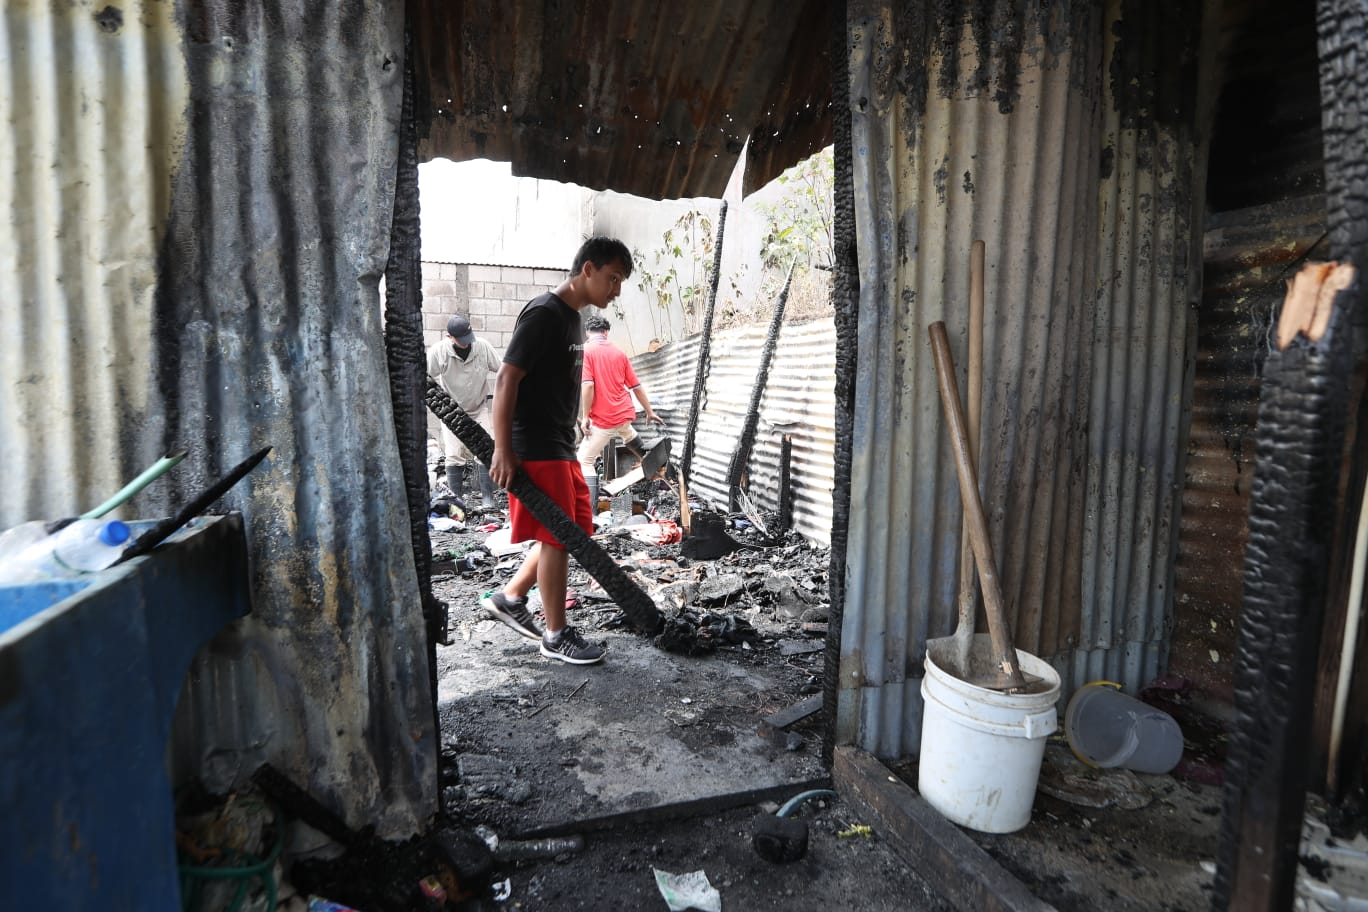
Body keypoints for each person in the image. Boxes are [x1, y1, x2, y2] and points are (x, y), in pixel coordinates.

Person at [482, 237, 633, 665]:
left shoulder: (573, 319)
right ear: (588, 269)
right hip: (536, 444)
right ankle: (555, 634)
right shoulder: (545, 313)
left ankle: (512, 597)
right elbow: (507, 379)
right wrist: (503, 449)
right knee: (556, 537)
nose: (616, 290)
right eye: (613, 278)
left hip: (561, 443)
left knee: (571, 529)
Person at [576, 314, 665, 506]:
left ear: (587, 333)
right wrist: (649, 411)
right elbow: (636, 386)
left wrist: (585, 417)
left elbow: (588, 386)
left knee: (584, 460)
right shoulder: (618, 352)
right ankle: (657, 466)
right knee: (627, 432)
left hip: (604, 418)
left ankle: (590, 514)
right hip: (623, 414)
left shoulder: (586, 352)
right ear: (606, 332)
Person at [426, 315, 502, 508]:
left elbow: (502, 371)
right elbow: (425, 378)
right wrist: (438, 403)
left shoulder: (482, 346)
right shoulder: (438, 352)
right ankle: (457, 501)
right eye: (461, 340)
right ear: (449, 336)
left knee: (485, 450)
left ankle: (488, 498)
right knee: (454, 454)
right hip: (452, 411)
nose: (467, 343)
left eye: (469, 337)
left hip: (478, 407)